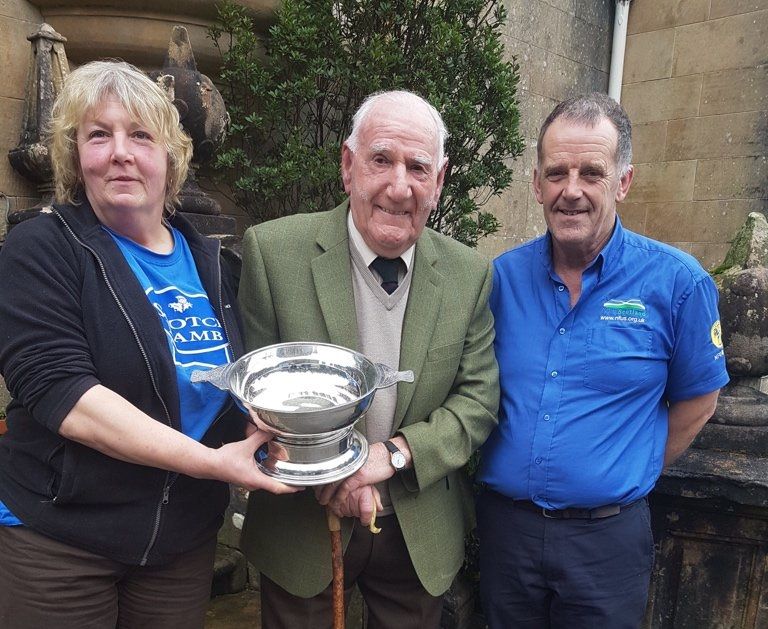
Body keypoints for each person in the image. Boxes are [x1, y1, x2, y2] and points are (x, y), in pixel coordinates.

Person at [0, 60, 296, 629]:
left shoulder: (214, 264)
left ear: (170, 156)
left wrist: (272, 432)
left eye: (140, 134)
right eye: (98, 134)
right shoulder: (43, 248)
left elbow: (235, 384)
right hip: (61, 541)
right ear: (74, 156)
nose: (120, 152)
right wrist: (212, 465)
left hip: (177, 547)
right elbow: (64, 395)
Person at [237, 90, 499, 629]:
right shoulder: (272, 253)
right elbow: (253, 399)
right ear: (348, 165)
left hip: (417, 527)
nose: (398, 186)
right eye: (381, 159)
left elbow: (478, 401)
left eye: (418, 168)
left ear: (440, 180)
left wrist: (393, 456)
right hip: (302, 526)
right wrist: (323, 469)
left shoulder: (469, 274)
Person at [477, 92, 730, 628]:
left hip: (606, 544)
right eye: (556, 173)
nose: (572, 191)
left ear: (624, 181)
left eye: (591, 172)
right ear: (537, 183)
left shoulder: (678, 284)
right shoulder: (501, 280)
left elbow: (699, 400)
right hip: (507, 537)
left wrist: (628, 465)